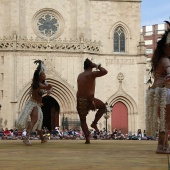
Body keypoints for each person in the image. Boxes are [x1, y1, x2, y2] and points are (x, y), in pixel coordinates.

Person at [146, 21, 170, 153]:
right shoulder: (166, 60)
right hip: (165, 92)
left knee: (164, 121)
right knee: (167, 122)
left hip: (157, 92)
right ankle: (162, 146)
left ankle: (162, 145)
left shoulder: (158, 60)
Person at [15, 60, 52, 146]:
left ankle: (42, 139)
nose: (45, 75)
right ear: (39, 76)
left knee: (39, 121)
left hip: (38, 105)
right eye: (43, 74)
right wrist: (49, 89)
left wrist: (49, 90)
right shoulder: (37, 84)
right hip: (33, 104)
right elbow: (48, 86)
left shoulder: (42, 83)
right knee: (35, 120)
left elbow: (49, 87)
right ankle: (26, 138)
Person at [76, 58, 108, 144]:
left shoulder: (80, 75)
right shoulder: (91, 74)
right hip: (89, 99)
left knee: (83, 120)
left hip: (80, 100)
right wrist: (96, 66)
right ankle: (94, 123)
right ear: (91, 66)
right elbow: (105, 71)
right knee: (103, 107)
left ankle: (87, 138)